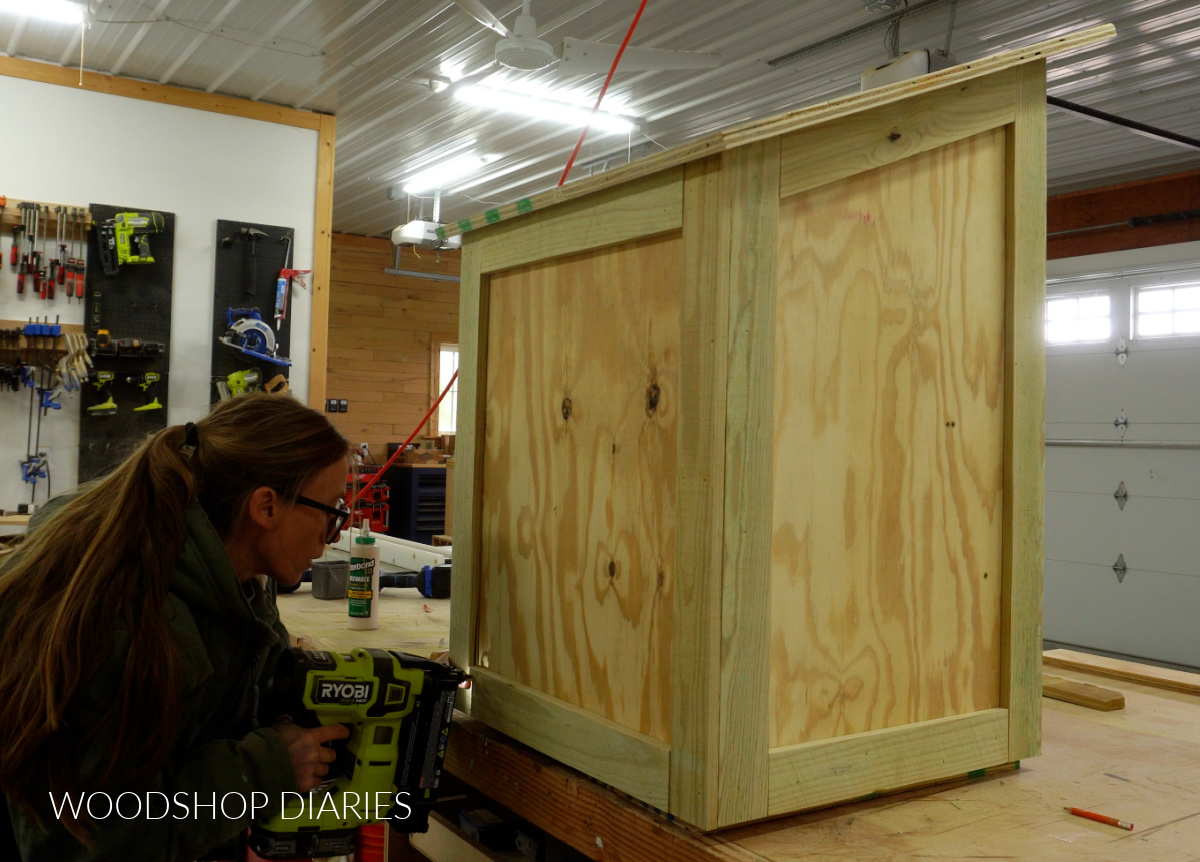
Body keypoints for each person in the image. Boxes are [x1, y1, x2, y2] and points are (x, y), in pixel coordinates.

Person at [0, 393, 355, 861]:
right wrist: (263, 770)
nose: (333, 536)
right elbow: (92, 839)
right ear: (266, 507)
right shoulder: (130, 623)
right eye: (331, 513)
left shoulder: (235, 580)